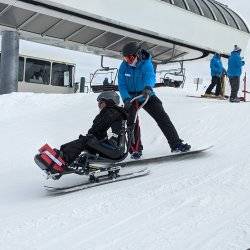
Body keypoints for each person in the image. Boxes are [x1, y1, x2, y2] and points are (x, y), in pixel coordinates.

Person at [118, 41, 191, 158]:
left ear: (138, 54)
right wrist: (126, 99)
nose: (128, 61)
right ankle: (135, 150)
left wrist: (148, 88)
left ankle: (176, 144)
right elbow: (121, 84)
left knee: (162, 117)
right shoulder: (123, 66)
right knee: (131, 122)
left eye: (130, 58)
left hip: (146, 94)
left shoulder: (146, 64)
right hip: (131, 98)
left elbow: (150, 77)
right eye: (126, 58)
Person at [36, 91, 128, 174]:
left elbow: (96, 130)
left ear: (109, 101)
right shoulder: (113, 112)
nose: (99, 105)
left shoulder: (111, 112)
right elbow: (99, 131)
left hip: (113, 149)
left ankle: (62, 160)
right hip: (113, 147)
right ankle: (61, 156)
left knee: (86, 141)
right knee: (86, 140)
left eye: (101, 102)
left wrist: (90, 137)